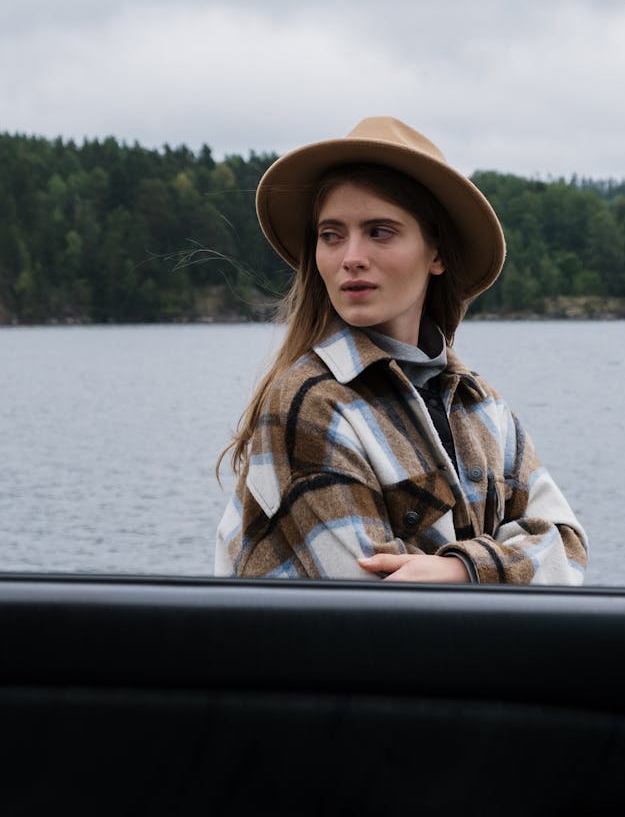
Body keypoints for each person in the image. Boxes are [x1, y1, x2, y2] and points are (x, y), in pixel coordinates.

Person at [215, 116, 587, 584]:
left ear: (437, 254)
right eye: (331, 235)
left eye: (380, 231)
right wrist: (505, 564)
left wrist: (460, 570)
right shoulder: (309, 405)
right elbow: (380, 603)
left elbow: (569, 550)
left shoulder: (480, 405)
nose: (350, 256)